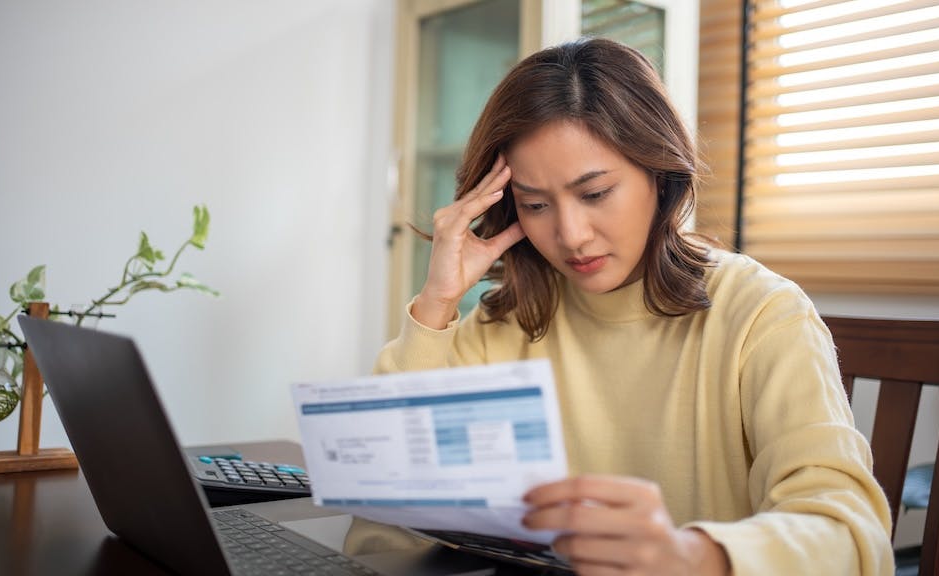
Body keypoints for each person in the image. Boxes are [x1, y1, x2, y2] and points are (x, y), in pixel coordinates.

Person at [375, 37, 893, 575]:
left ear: (660, 173)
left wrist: (693, 556)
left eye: (595, 193)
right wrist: (436, 303)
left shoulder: (761, 314)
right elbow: (385, 509)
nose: (571, 235)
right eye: (535, 205)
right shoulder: (503, 324)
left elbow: (850, 535)